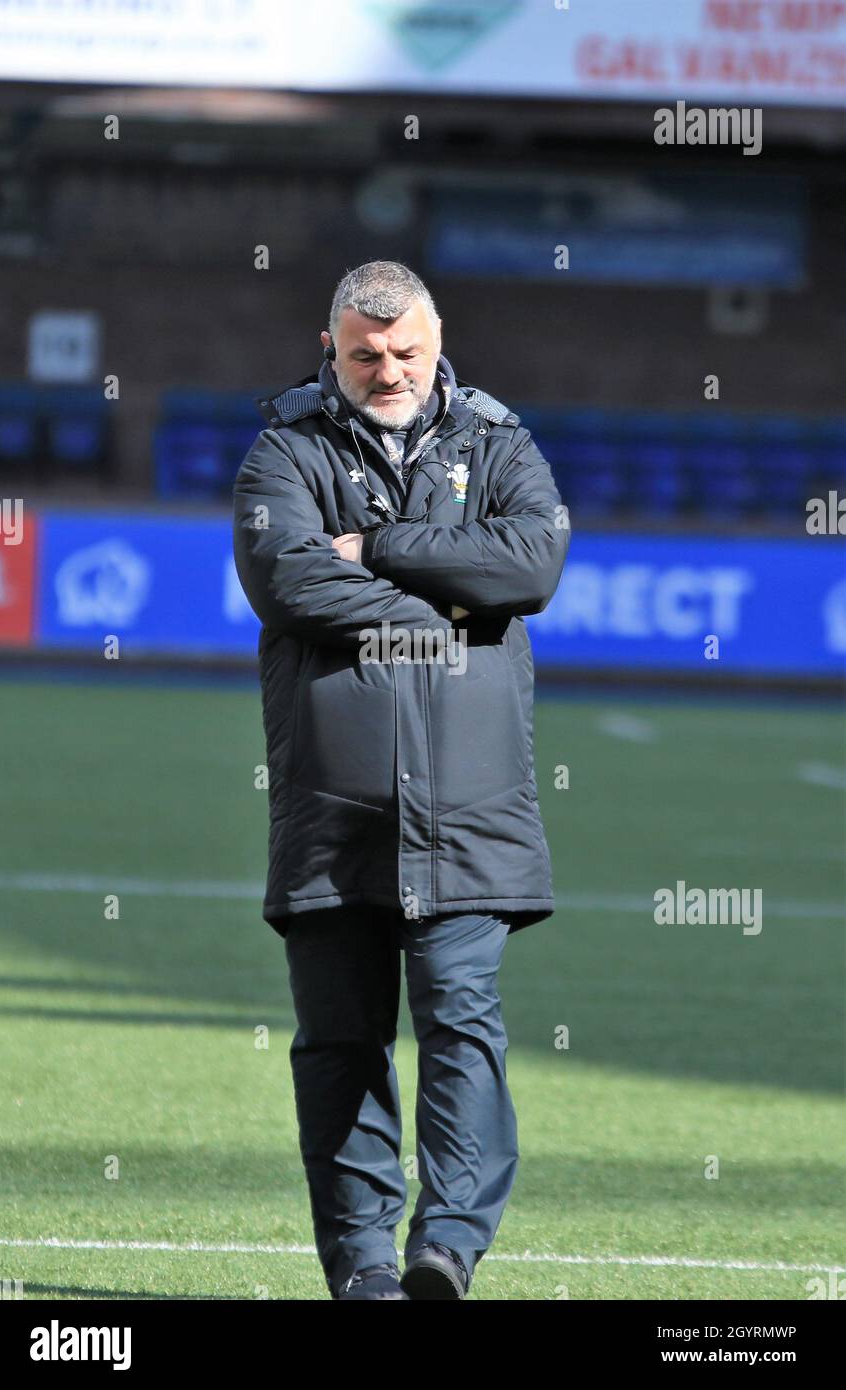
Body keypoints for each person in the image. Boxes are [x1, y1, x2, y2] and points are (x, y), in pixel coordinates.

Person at [233, 260, 570, 1300]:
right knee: (339, 1042)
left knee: (459, 1017)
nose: (386, 370)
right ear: (330, 349)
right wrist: (440, 613)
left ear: (435, 342)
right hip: (332, 813)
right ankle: (364, 1268)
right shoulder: (281, 450)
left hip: (470, 813)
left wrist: (376, 545)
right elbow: (284, 575)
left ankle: (444, 1251)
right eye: (364, 354)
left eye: (404, 352)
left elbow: (527, 569)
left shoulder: (500, 442)